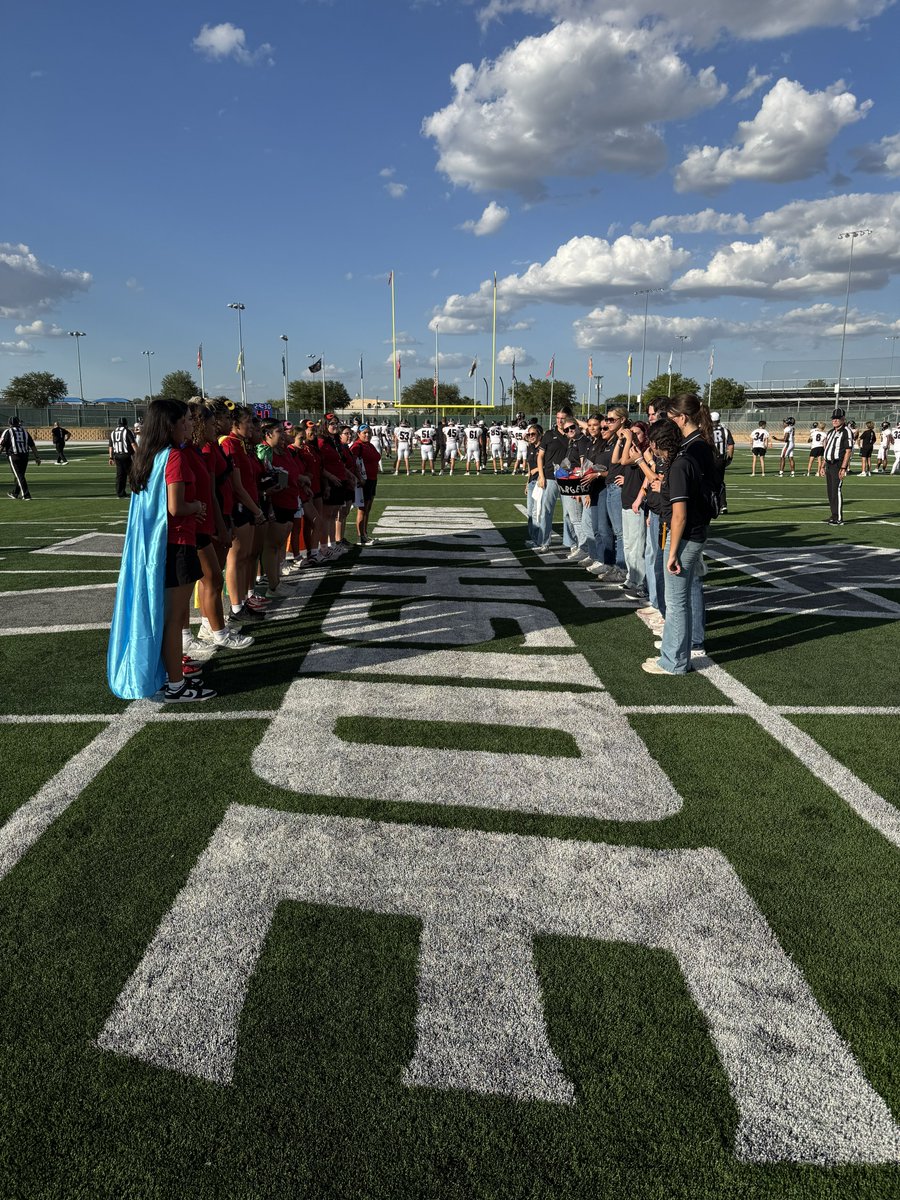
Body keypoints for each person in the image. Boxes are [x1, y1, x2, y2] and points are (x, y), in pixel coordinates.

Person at [107, 398, 215, 702]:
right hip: (178, 544)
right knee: (173, 618)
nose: (191, 425)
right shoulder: (174, 457)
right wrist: (198, 506)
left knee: (168, 617)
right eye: (186, 421)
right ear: (170, 424)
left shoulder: (148, 455)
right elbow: (176, 506)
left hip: (163, 546)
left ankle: (171, 678)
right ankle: (176, 685)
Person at [642, 394, 716, 676]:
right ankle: (675, 654)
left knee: (676, 602)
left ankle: (673, 661)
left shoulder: (686, 458)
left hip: (685, 533)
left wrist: (672, 550)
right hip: (692, 531)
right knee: (679, 600)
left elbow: (681, 512)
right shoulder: (696, 449)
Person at [823, 408, 853, 526]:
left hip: (838, 465)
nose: (835, 421)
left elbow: (848, 451)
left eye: (838, 418)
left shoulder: (846, 431)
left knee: (837, 491)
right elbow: (827, 449)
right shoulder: (831, 432)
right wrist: (822, 465)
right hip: (829, 464)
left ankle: (839, 518)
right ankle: (833, 515)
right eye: (833, 418)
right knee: (830, 492)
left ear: (843, 419)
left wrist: (843, 468)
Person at [351, 425, 381, 543]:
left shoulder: (370, 445)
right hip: (364, 481)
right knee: (362, 509)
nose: (367, 435)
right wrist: (359, 478)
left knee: (367, 509)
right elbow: (352, 462)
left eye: (369, 432)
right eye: (364, 433)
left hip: (372, 479)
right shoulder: (357, 446)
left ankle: (365, 533)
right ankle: (361, 536)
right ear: (358, 434)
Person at [2, 417, 41, 500]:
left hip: (14, 456)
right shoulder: (25, 431)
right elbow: (32, 445)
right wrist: (37, 457)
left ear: (9, 423)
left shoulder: (8, 431)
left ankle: (26, 495)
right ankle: (15, 493)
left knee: (19, 475)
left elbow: (2, 445)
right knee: (20, 475)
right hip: (25, 456)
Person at [710, 411, 734, 511]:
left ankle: (712, 503)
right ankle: (723, 504)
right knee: (720, 482)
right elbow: (731, 445)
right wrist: (729, 458)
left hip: (710, 459)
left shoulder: (706, 430)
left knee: (709, 481)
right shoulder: (725, 430)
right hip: (721, 459)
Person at [109, 416, 138, 498]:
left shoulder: (113, 432)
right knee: (132, 474)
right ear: (125, 424)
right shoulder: (127, 431)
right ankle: (135, 491)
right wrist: (139, 454)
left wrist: (110, 457)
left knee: (120, 475)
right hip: (127, 456)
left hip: (117, 456)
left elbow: (110, 446)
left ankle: (120, 492)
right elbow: (133, 444)